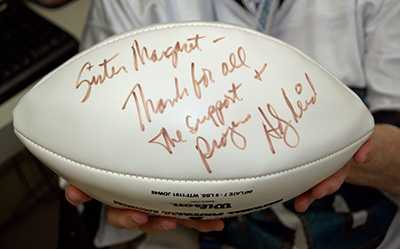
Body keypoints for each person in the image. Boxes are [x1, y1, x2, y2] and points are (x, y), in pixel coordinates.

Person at [64, 0, 400, 248]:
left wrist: (340, 149)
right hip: (208, 233)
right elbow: (81, 131)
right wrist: (116, 185)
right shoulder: (130, 6)